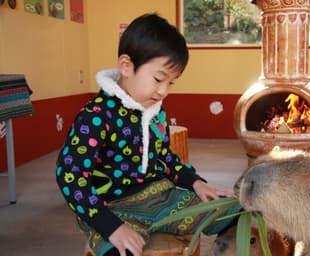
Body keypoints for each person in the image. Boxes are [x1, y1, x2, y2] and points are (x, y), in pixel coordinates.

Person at [56, 13, 240, 256]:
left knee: (234, 211)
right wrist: (110, 226)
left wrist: (195, 182)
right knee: (119, 251)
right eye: (158, 79)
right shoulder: (96, 116)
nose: (163, 91)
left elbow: (165, 158)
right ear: (126, 66)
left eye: (171, 83)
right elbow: (70, 174)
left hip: (161, 200)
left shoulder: (154, 111)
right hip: (112, 209)